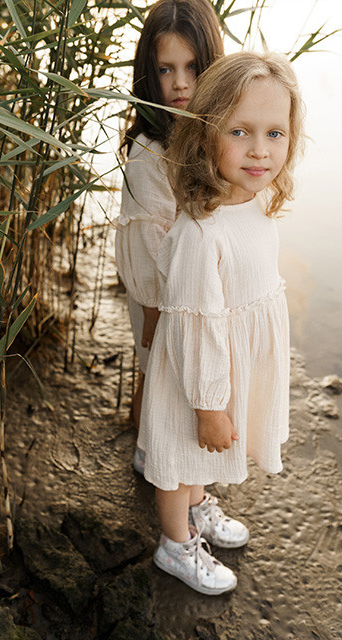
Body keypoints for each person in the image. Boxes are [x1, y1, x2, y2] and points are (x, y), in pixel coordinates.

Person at [142, 51, 301, 595]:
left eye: (275, 133)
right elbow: (197, 328)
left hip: (223, 369)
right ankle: (175, 544)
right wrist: (209, 406)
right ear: (206, 135)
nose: (260, 150)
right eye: (240, 132)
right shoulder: (200, 233)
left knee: (198, 460)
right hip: (197, 381)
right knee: (178, 457)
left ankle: (197, 505)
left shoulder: (254, 204)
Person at [114, 0, 223, 474]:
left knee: (167, 376)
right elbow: (146, 239)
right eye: (166, 69)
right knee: (159, 372)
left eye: (192, 67)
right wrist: (156, 312)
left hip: (187, 285)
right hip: (160, 292)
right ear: (148, 73)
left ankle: (152, 452)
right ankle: (152, 457)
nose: (180, 83)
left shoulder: (206, 134)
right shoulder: (151, 149)